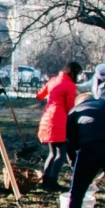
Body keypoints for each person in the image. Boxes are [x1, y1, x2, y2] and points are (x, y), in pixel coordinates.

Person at [37, 62, 81, 191]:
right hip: (59, 121)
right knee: (61, 154)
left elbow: (39, 95)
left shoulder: (53, 80)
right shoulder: (70, 85)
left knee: (52, 153)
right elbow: (70, 107)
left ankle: (45, 180)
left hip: (47, 118)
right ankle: (52, 181)